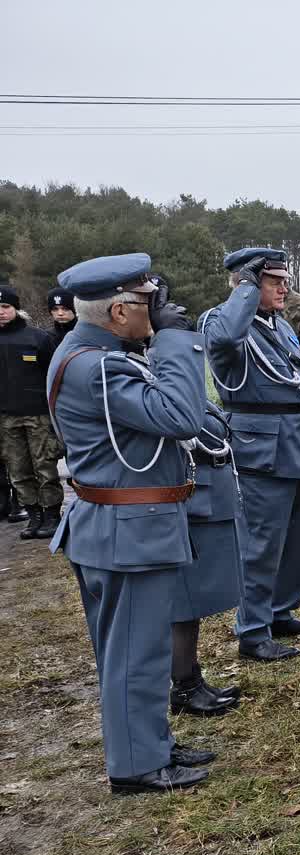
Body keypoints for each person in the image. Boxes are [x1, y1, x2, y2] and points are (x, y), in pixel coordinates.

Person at [46, 253, 214, 794]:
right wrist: (176, 340)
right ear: (118, 312)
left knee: (133, 650)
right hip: (128, 530)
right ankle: (138, 764)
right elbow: (181, 416)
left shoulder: (93, 353)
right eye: (148, 302)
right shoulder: (98, 366)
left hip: (119, 525)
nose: (158, 309)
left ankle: (150, 742)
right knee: (135, 654)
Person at [200, 248, 300, 662]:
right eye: (273, 281)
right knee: (260, 545)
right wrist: (245, 288)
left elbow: (299, 382)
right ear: (247, 285)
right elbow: (225, 340)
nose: (284, 288)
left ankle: (279, 612)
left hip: (297, 439)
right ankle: (253, 631)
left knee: (298, 540)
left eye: (285, 280)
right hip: (261, 450)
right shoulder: (220, 322)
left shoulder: (278, 325)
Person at [170, 395, 244, 717]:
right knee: (184, 602)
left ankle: (191, 679)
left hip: (200, 492)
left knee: (192, 601)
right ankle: (184, 686)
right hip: (188, 498)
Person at [0, 284, 63, 538]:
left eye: (5, 306)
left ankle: (51, 515)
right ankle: (33, 514)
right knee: (18, 470)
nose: (1, 312)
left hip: (38, 415)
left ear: (16, 308)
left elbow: (55, 377)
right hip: (6, 417)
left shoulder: (38, 338)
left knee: (45, 467)